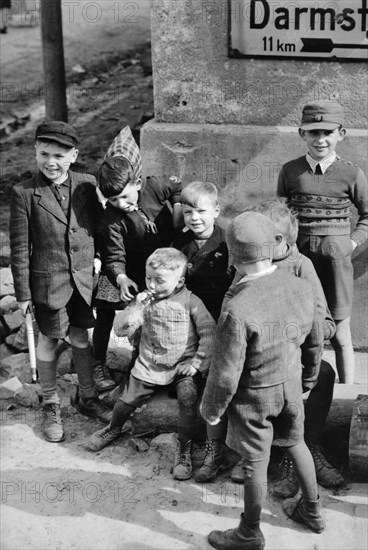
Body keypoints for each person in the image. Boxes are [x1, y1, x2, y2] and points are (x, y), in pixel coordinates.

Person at [201, 211, 325, 550]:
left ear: (233, 257)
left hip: (254, 399)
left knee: (255, 462)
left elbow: (225, 373)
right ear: (274, 246)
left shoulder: (238, 308)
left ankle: (249, 532)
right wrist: (309, 378)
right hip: (292, 387)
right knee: (296, 443)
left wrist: (212, 410)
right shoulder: (300, 287)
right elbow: (315, 341)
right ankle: (312, 511)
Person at [9, 121, 112, 443]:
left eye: (58, 155)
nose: (50, 162)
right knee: (50, 339)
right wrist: (24, 294)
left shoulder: (87, 185)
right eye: (43, 154)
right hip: (48, 284)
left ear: (74, 156)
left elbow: (100, 226)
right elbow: (19, 248)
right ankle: (51, 402)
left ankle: (87, 397)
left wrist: (101, 264)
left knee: (81, 337)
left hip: (82, 281)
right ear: (35, 152)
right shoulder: (24, 193)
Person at [86, 248, 216, 482]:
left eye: (159, 280)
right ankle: (114, 427)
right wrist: (136, 308)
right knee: (126, 400)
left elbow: (209, 334)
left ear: (179, 282)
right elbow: (121, 329)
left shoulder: (191, 302)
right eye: (149, 278)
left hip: (182, 365)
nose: (152, 285)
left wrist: (196, 363)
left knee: (188, 397)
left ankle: (183, 448)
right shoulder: (144, 302)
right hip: (150, 363)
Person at [253, 198, 344, 495]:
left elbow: (326, 322)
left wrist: (297, 330)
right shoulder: (251, 263)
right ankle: (260, 455)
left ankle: (309, 449)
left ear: (281, 240)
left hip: (296, 353)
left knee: (325, 374)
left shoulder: (301, 267)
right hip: (262, 356)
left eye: (261, 241)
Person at [277, 101, 368, 384]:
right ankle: (301, 389)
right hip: (299, 264)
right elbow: (280, 215)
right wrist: (285, 249)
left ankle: (347, 393)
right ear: (302, 134)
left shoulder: (352, 173)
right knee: (299, 328)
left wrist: (351, 244)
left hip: (336, 266)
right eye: (313, 132)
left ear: (341, 134)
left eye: (327, 133)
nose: (321, 140)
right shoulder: (291, 171)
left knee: (341, 333)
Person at [92, 156, 183, 388]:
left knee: (149, 319)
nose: (121, 203)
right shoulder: (111, 221)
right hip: (125, 272)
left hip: (155, 268)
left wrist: (178, 209)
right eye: (113, 199)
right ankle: (98, 363)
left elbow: (177, 185)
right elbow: (114, 257)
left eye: (125, 196)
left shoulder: (154, 187)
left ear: (138, 183)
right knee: (104, 315)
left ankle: (142, 365)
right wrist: (121, 278)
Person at [172, 181, 232, 482]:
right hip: (186, 326)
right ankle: (183, 445)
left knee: (215, 384)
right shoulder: (178, 245)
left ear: (216, 211)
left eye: (201, 211)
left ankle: (215, 449)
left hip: (220, 325)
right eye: (188, 212)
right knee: (186, 386)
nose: (194, 218)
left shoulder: (227, 244)